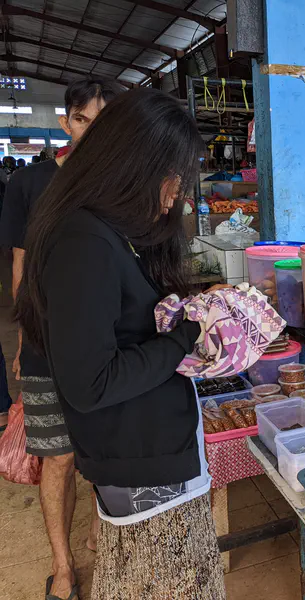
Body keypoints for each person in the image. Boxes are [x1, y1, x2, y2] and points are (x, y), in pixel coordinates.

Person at [16, 88, 224, 599]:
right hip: (140, 468)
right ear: (133, 164)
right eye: (171, 176)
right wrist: (185, 336)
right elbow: (91, 382)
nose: (176, 193)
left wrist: (191, 306)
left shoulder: (110, 229)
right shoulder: (82, 242)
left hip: (151, 454)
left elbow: (126, 320)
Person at [0, 76, 120, 600]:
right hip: (48, 342)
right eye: (83, 120)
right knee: (59, 455)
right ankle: (63, 566)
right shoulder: (30, 185)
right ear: (65, 121)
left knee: (106, 445)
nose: (93, 133)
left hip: (109, 340)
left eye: (105, 122)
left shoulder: (121, 182)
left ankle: (102, 524)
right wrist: (25, 338)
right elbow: (20, 267)